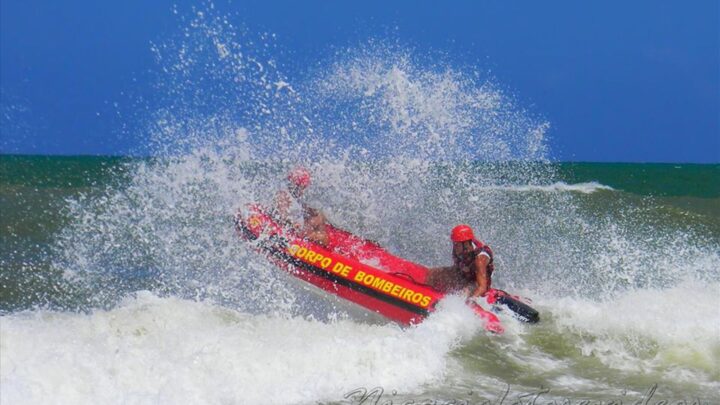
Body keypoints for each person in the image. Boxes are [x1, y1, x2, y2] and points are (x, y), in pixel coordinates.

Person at [427, 224, 495, 298]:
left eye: (457, 244)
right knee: (434, 273)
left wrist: (470, 301)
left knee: (464, 292)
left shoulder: (480, 259)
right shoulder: (461, 249)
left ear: (466, 244)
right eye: (454, 243)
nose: (454, 246)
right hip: (465, 274)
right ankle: (426, 293)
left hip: (477, 281)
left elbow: (482, 287)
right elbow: (458, 267)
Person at [273, 166, 329, 246]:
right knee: (322, 237)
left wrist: (311, 210)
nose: (303, 190)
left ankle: (323, 238)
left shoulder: (294, 195)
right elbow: (282, 215)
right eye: (303, 187)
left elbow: (297, 208)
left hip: (300, 225)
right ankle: (322, 251)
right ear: (297, 186)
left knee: (320, 216)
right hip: (295, 230)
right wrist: (291, 224)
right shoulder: (284, 196)